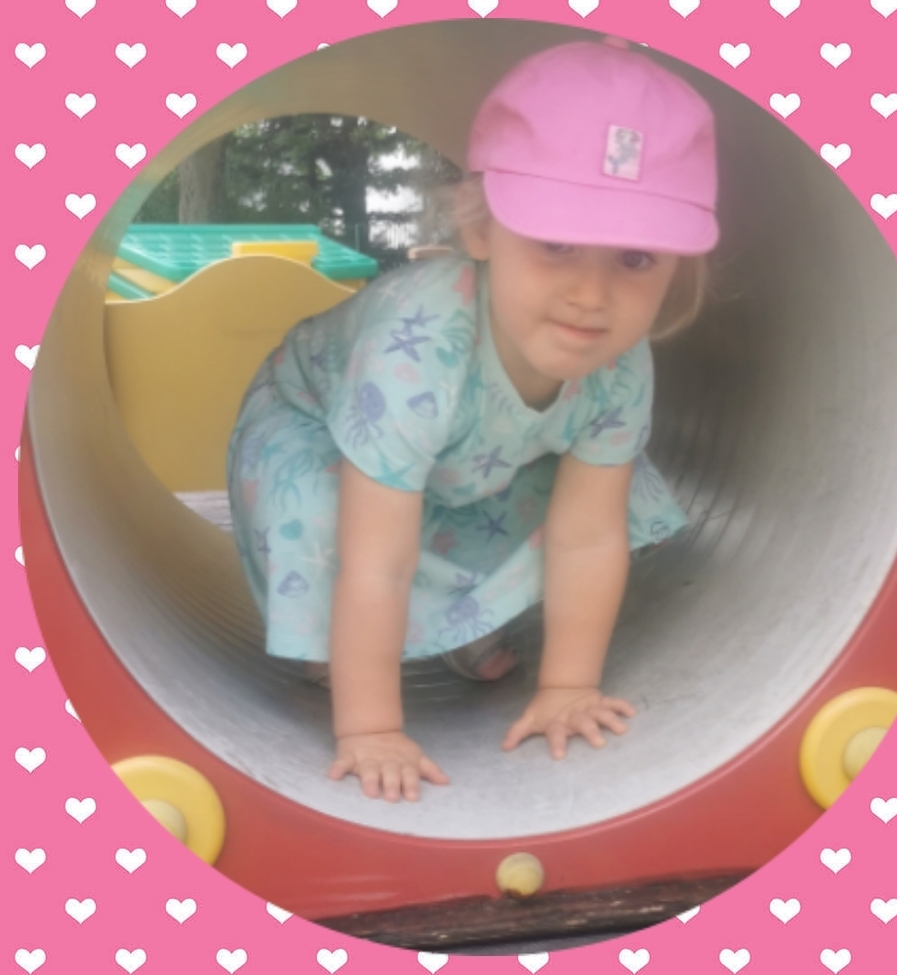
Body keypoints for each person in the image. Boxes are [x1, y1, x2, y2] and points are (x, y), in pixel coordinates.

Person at [227, 37, 719, 803]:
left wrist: (567, 685)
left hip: (471, 452)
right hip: (313, 424)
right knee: (337, 527)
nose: (591, 296)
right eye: (556, 243)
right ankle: (347, 650)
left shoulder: (618, 358)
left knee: (566, 491)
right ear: (479, 225)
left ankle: (454, 625)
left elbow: (586, 535)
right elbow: (376, 561)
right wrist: (370, 728)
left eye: (635, 259)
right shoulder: (418, 345)